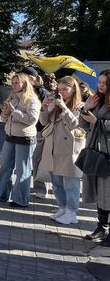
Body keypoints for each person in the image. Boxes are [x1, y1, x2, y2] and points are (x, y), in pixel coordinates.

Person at [37, 76, 85, 225]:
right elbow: (44, 122)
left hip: (69, 148)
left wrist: (63, 107)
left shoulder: (80, 106)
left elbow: (75, 124)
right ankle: (62, 208)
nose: (61, 92)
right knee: (56, 182)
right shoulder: (55, 104)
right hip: (53, 146)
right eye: (60, 89)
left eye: (65, 89)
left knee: (70, 182)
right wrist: (44, 108)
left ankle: (72, 212)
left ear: (74, 89)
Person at [0, 73, 40, 208]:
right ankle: (1, 194)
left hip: (25, 138)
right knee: (5, 166)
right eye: (13, 83)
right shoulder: (11, 97)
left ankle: (21, 199)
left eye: (17, 83)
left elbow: (32, 120)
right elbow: (5, 120)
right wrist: (5, 113)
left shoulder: (32, 100)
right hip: (10, 136)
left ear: (24, 84)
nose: (14, 85)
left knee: (22, 170)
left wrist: (14, 111)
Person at [81, 70, 110, 243]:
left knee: (108, 192)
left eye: (105, 83)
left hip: (107, 153)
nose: (101, 85)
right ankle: (101, 227)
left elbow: (97, 123)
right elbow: (82, 123)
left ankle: (105, 229)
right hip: (95, 151)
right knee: (100, 191)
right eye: (99, 82)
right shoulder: (96, 100)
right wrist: (86, 108)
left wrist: (97, 122)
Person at [23, 66, 51, 199]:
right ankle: (32, 186)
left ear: (32, 78)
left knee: (37, 159)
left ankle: (40, 188)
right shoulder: (23, 90)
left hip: (39, 130)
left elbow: (45, 112)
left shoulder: (42, 92)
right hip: (25, 130)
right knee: (28, 159)